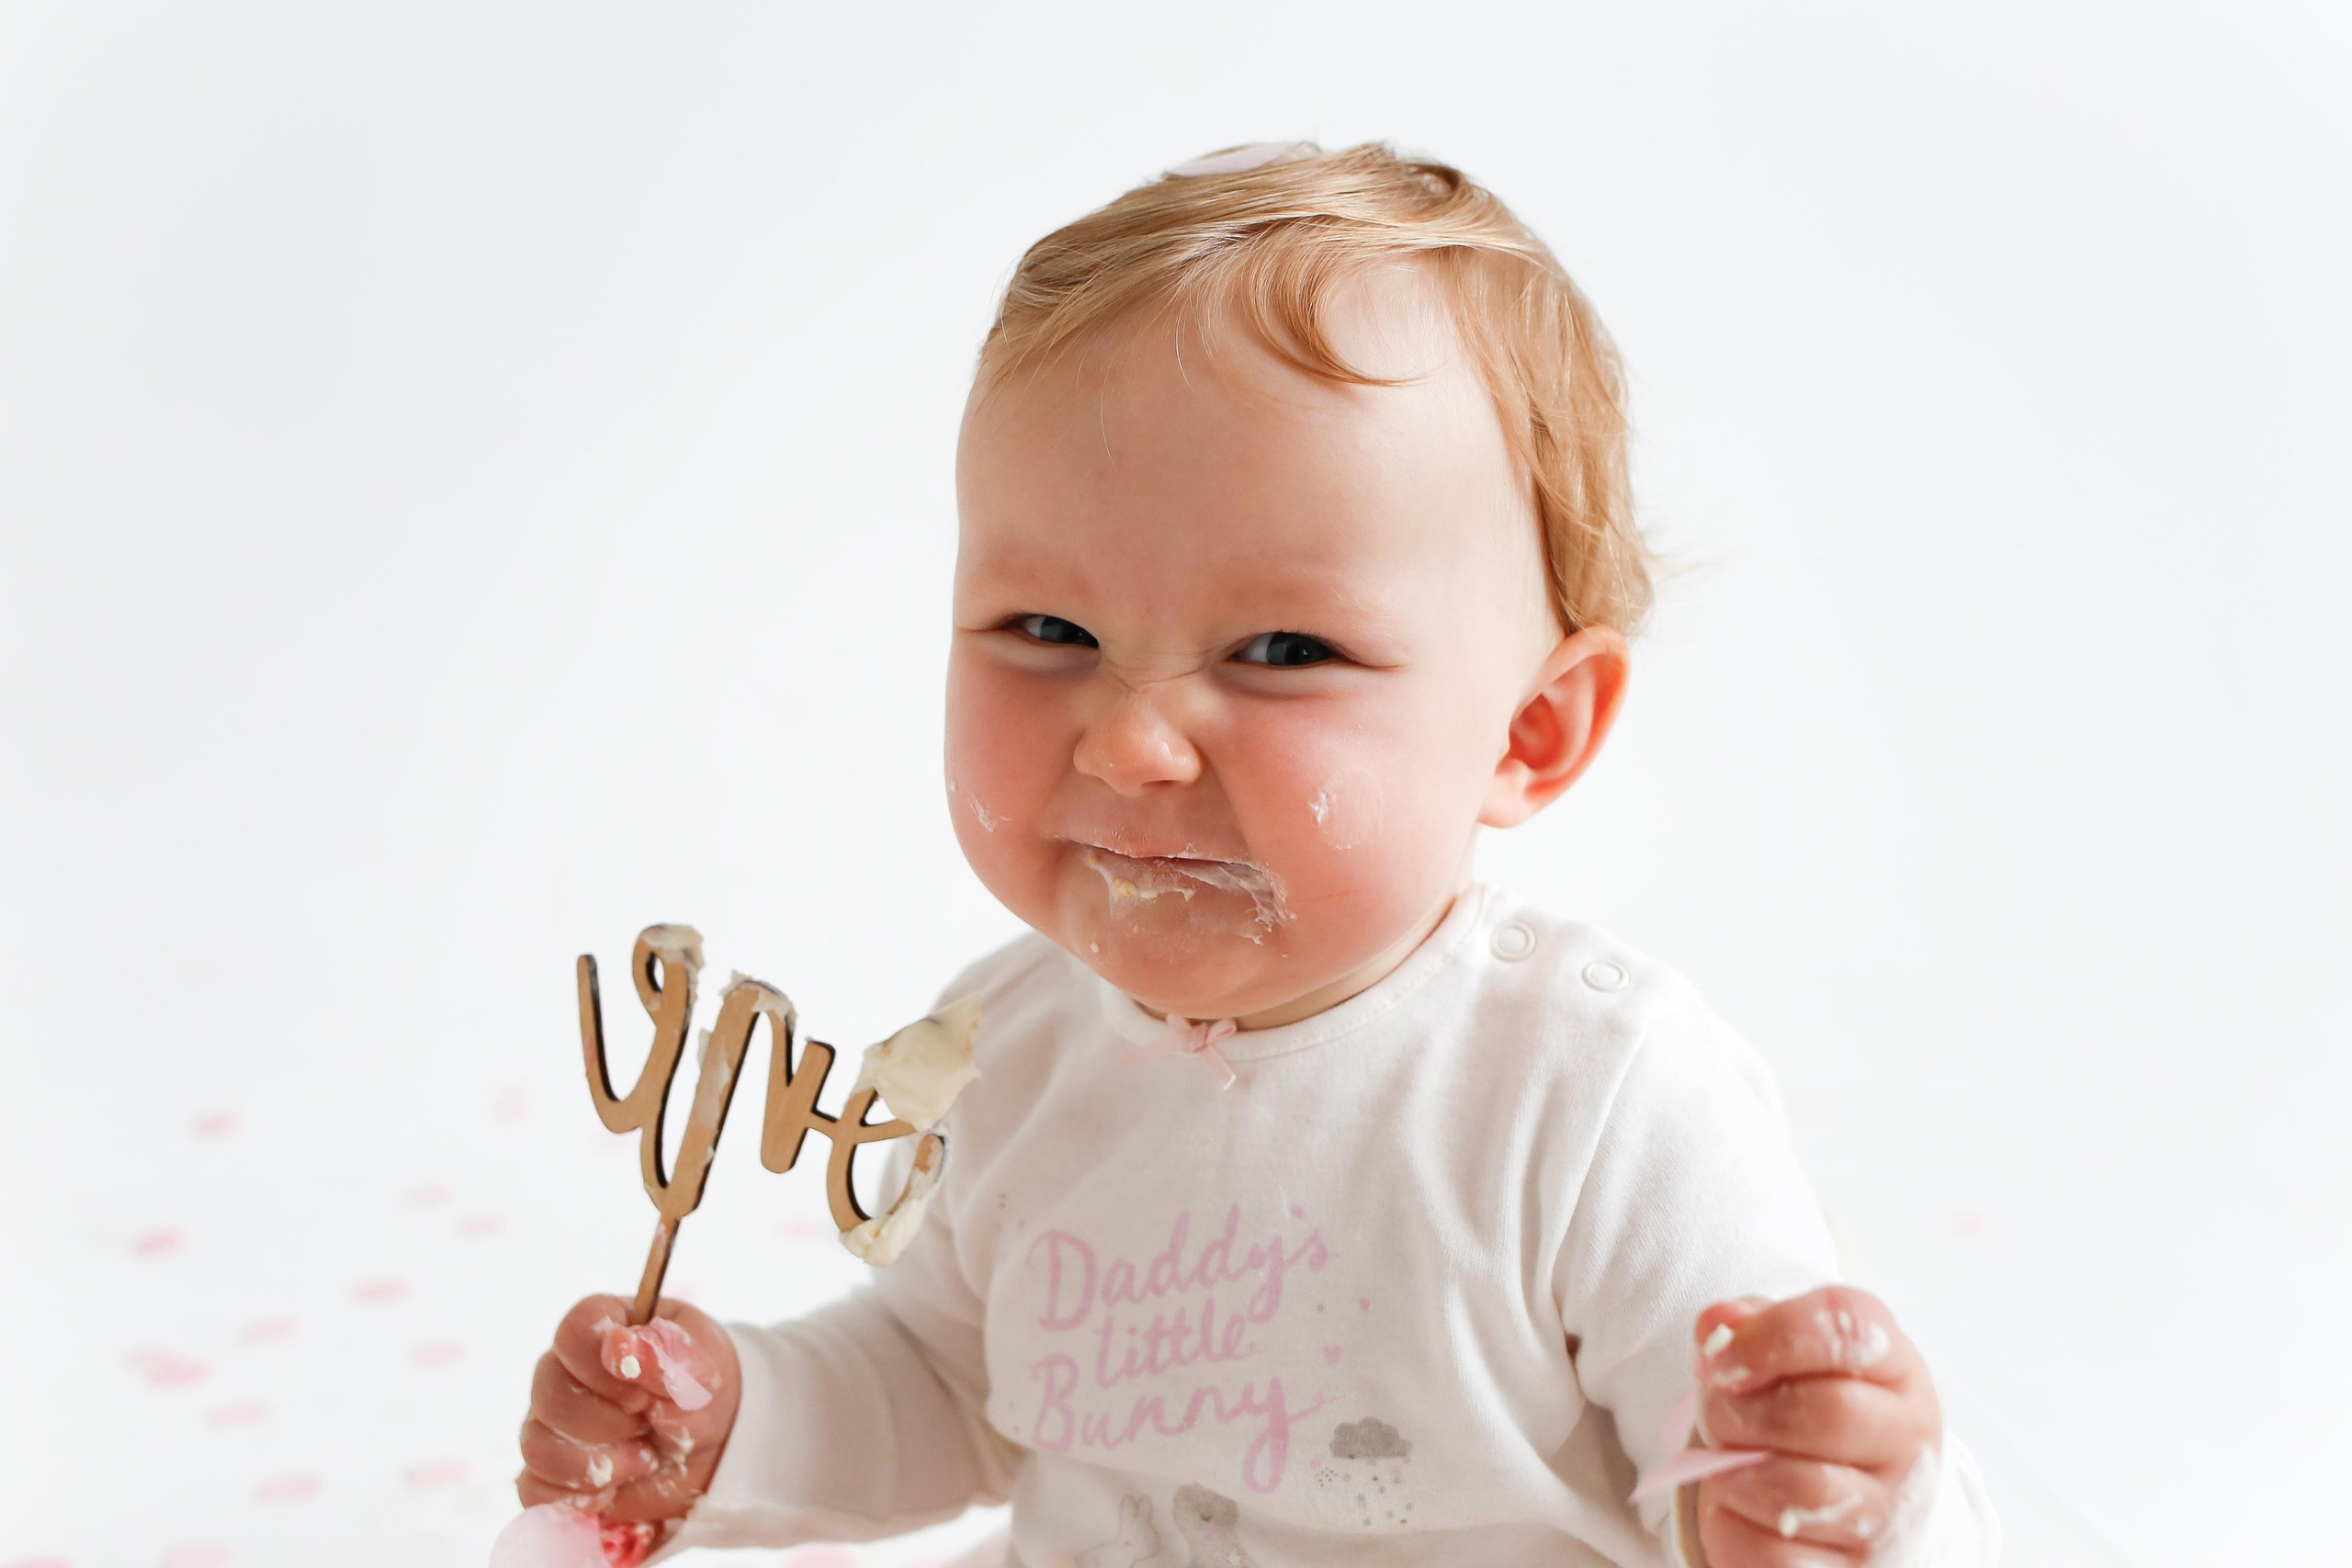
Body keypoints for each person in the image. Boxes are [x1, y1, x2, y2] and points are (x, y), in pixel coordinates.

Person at [514, 141, 1999, 1568]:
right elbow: (949, 1383)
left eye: (1283, 651)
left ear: (1528, 733)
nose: (1131, 744)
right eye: (1051, 632)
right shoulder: (1006, 1051)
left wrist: (1834, 1496)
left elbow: (1741, 1457)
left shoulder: (1593, 1100)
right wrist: (733, 1422)